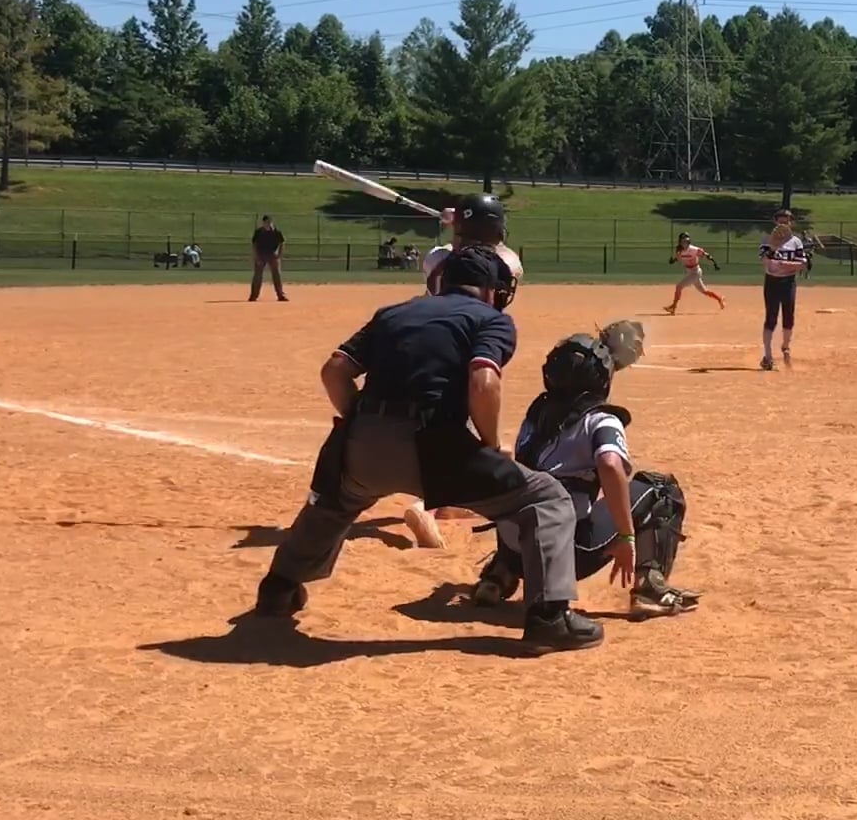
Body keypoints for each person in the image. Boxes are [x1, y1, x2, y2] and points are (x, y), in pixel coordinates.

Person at [251, 242, 602, 651]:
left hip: (363, 444)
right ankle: (549, 618)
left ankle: (279, 589)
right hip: (436, 448)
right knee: (545, 498)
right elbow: (483, 382)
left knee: (335, 504)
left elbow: (335, 371)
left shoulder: (393, 313)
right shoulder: (490, 319)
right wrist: (490, 446)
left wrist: (360, 421)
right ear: (492, 290)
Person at [471, 322, 700, 619]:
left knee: (526, 488)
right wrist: (626, 537)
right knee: (661, 489)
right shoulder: (601, 419)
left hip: (518, 553)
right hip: (567, 555)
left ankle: (498, 575)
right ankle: (649, 587)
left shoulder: (536, 415)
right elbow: (610, 465)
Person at [404, 193, 523, 549]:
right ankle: (428, 506)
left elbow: (452, 255)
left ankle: (442, 501)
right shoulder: (507, 264)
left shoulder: (436, 259)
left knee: (443, 422)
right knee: (464, 428)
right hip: (474, 342)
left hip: (431, 341)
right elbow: (503, 257)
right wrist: (464, 226)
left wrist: (454, 229)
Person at [758, 208, 813, 370]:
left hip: (788, 282)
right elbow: (765, 261)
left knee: (789, 316)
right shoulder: (767, 239)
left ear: (791, 223)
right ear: (775, 222)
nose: (783, 224)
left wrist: (783, 264)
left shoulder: (796, 242)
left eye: (786, 221)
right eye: (780, 221)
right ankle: (768, 356)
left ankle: (785, 346)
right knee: (771, 317)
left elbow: (802, 264)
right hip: (772, 282)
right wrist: (773, 248)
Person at [666, 231, 725, 315]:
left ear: (688, 241)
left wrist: (715, 264)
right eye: (682, 241)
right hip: (690, 273)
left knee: (679, 286)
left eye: (686, 241)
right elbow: (678, 257)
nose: (684, 243)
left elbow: (706, 255)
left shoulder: (694, 249)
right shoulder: (679, 250)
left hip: (696, 272)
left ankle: (673, 307)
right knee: (704, 291)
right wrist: (672, 261)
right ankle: (720, 298)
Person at [250, 215, 288, 302]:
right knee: (257, 276)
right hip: (261, 255)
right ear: (263, 223)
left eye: (270, 222)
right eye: (267, 222)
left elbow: (282, 243)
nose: (269, 224)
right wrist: (256, 256)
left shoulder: (276, 232)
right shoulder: (258, 232)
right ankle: (253, 296)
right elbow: (254, 245)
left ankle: (280, 295)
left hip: (272, 255)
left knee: (277, 275)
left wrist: (279, 254)